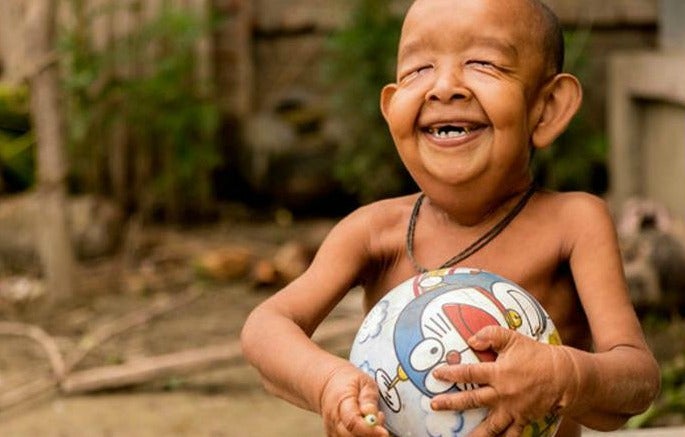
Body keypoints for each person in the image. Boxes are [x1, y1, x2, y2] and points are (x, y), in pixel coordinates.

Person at [241, 0, 661, 436]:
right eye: (418, 69)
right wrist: (328, 383)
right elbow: (266, 327)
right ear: (391, 108)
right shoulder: (374, 232)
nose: (444, 87)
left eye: (483, 63)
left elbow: (637, 379)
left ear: (548, 106)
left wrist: (564, 375)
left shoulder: (573, 224)